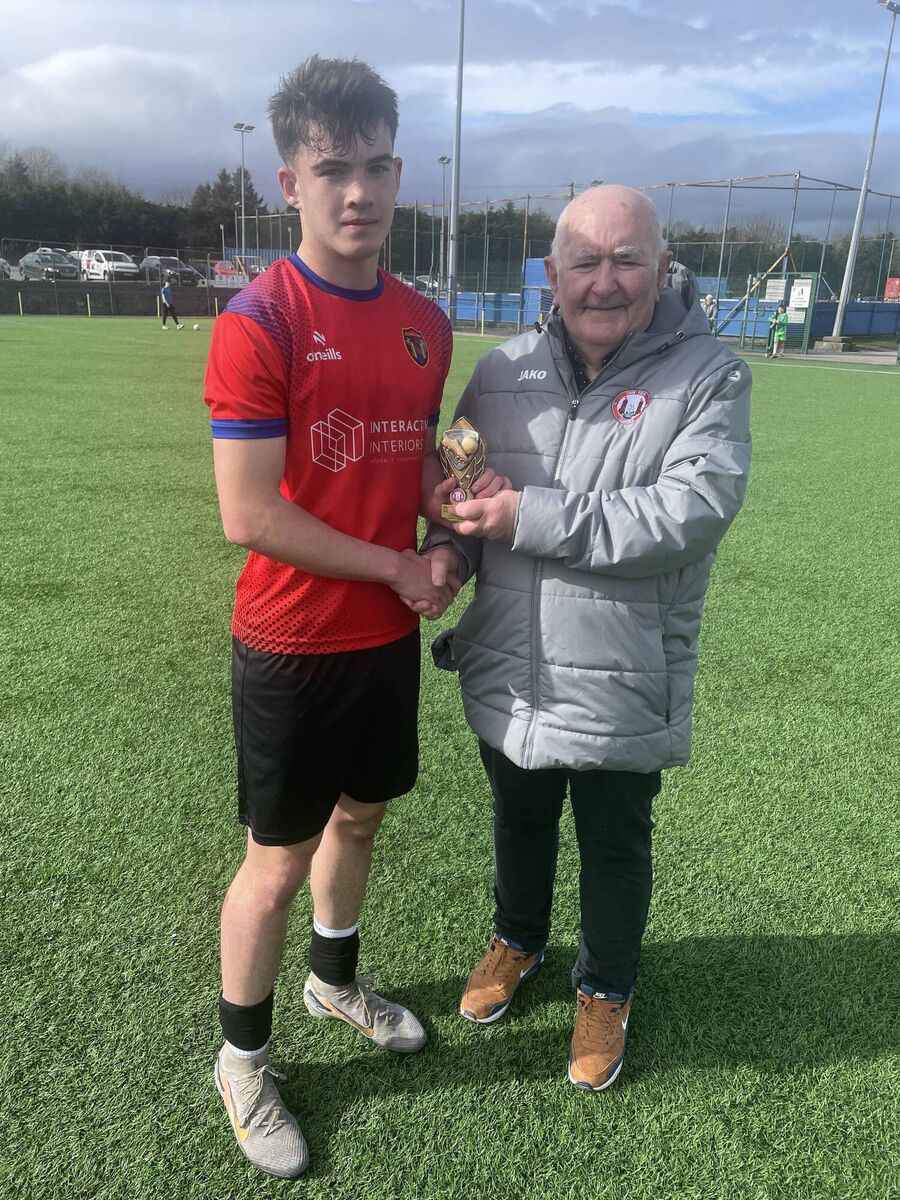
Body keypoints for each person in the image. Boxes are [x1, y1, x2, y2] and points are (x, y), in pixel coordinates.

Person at [202, 55, 504, 1178]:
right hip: (290, 643)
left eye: (379, 166)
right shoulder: (259, 320)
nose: (361, 192)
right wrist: (396, 564)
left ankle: (335, 986)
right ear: (291, 180)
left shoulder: (426, 323)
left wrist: (443, 538)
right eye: (335, 169)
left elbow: (417, 469)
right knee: (272, 864)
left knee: (362, 823)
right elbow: (251, 513)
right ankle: (242, 1061)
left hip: (382, 635)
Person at [421, 184, 751, 1093]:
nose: (605, 282)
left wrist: (528, 514)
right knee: (517, 819)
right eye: (585, 262)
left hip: (620, 668)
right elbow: (463, 493)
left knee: (613, 842)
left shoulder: (709, 375)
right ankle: (518, 939)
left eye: (627, 259)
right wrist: (446, 550)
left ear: (662, 267)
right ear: (553, 273)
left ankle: (606, 986)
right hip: (508, 661)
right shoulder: (500, 372)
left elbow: (688, 513)